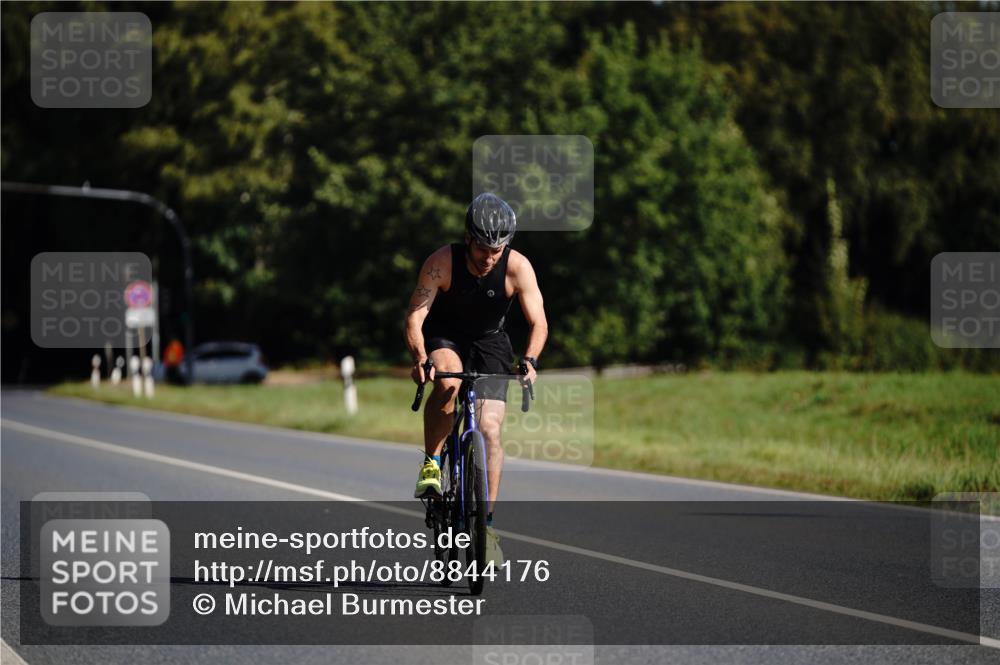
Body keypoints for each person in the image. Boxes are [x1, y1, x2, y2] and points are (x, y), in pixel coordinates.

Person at [404, 192, 548, 565]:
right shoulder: (441, 263)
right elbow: (415, 317)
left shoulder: (517, 267)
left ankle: (486, 526)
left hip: (491, 342)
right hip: (446, 337)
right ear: (468, 238)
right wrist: (421, 358)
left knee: (490, 430)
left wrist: (530, 360)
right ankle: (432, 464)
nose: (489, 258)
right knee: (448, 384)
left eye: (497, 251)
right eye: (483, 248)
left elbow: (538, 322)